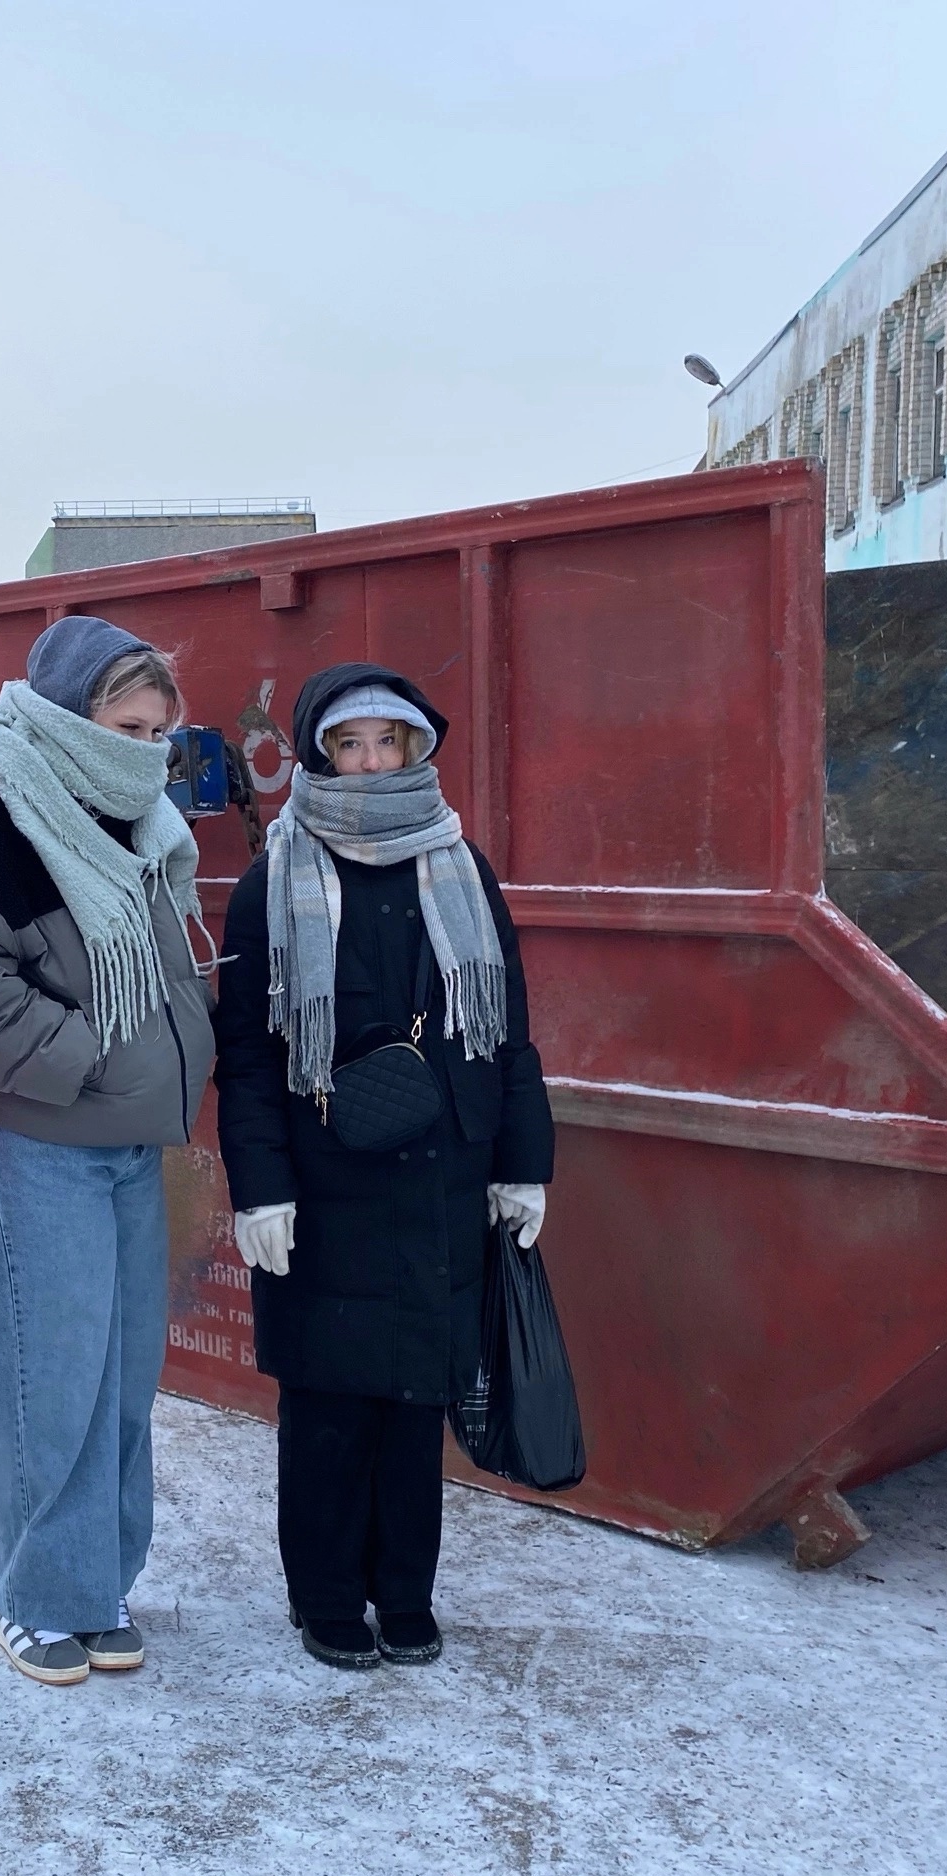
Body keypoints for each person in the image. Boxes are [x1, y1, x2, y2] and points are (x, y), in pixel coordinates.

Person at [210, 665, 553, 1671]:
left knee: (415, 1403)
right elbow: (246, 1053)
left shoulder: (460, 865)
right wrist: (259, 1183)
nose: (368, 760)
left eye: (386, 743)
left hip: (443, 1175)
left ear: (413, 751)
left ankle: (402, 1592)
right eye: (348, 743)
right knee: (325, 1405)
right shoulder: (276, 876)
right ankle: (323, 1597)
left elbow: (510, 1031)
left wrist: (521, 1163)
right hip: (324, 1185)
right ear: (319, 753)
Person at [0, 616, 215, 1687]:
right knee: (50, 1381)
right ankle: (33, 1599)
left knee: (122, 1380)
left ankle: (96, 1588)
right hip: (31, 1139)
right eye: (126, 724)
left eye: (159, 732)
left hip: (127, 1139)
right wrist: (95, 1058)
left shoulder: (137, 820)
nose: (147, 751)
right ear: (66, 712)